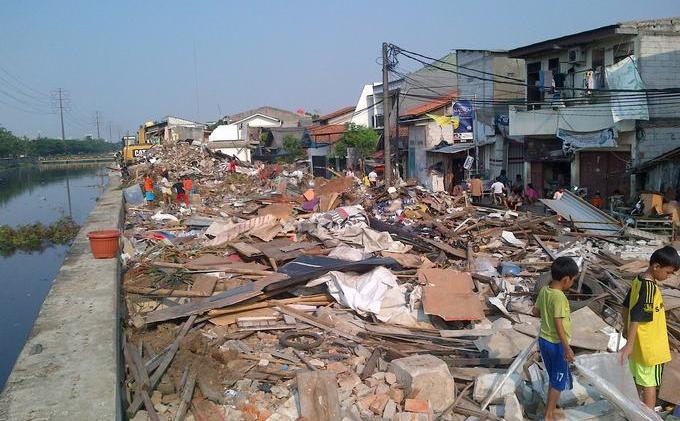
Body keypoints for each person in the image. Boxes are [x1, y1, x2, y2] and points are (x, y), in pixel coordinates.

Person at [619, 246, 680, 409]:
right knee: (650, 385)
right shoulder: (649, 288)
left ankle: (633, 411)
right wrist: (629, 345)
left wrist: (626, 330)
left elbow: (626, 307)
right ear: (656, 266)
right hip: (649, 348)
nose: (668, 277)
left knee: (638, 381)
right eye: (668, 272)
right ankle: (648, 415)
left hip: (640, 346)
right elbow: (638, 315)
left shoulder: (638, 280)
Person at [533, 257, 579, 421]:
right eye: (573, 280)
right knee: (559, 379)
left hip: (544, 340)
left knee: (554, 375)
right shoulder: (559, 297)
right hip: (557, 344)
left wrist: (546, 314)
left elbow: (535, 311)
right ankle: (548, 415)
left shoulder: (545, 290)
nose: (572, 284)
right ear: (566, 279)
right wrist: (567, 348)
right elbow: (559, 324)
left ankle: (550, 408)